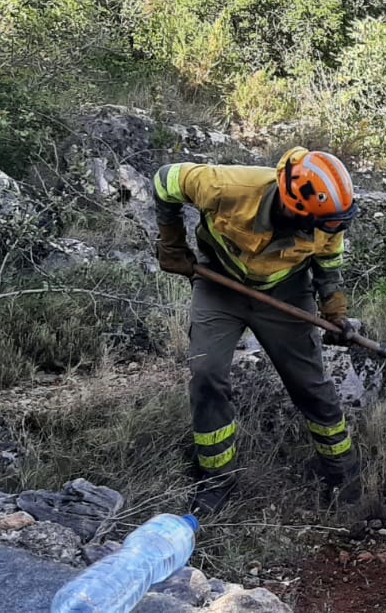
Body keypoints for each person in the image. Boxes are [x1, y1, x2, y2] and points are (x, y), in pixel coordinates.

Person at [153, 147, 362, 514]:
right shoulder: (228, 186)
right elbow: (164, 180)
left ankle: (342, 473)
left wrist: (335, 310)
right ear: (296, 207)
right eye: (324, 224)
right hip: (219, 283)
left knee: (310, 385)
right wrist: (172, 243)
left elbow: (328, 262)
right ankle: (217, 481)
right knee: (206, 373)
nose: (331, 230)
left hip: (286, 291)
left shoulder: (327, 217)